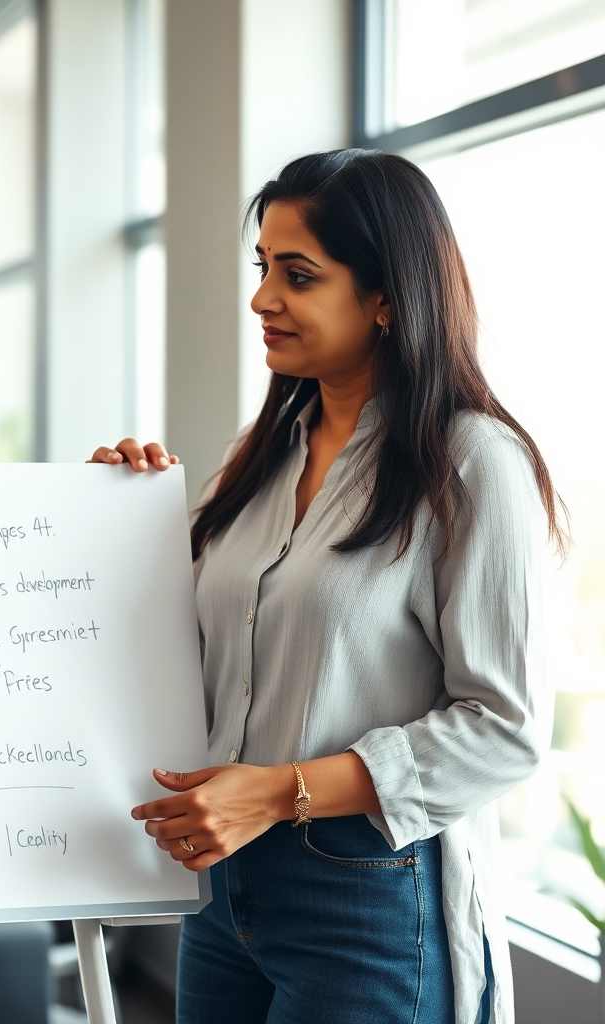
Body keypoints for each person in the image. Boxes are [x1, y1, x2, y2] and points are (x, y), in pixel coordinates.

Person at [91, 149, 561, 1024]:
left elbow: (505, 730)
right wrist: (111, 519)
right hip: (225, 886)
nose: (263, 297)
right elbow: (186, 651)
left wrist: (275, 791)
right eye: (263, 267)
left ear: (387, 296)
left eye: (298, 274)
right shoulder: (257, 455)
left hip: (369, 892)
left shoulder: (473, 467)